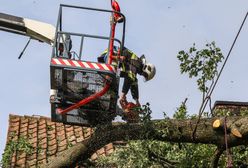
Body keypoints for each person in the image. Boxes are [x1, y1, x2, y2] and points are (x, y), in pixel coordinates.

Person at [97, 46, 156, 111]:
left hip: (114, 60)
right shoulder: (137, 63)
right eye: (145, 74)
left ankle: (108, 98)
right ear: (146, 68)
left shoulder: (136, 66)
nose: (142, 75)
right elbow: (130, 78)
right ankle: (105, 92)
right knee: (111, 76)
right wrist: (123, 96)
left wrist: (136, 100)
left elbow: (134, 83)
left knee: (114, 84)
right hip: (111, 55)